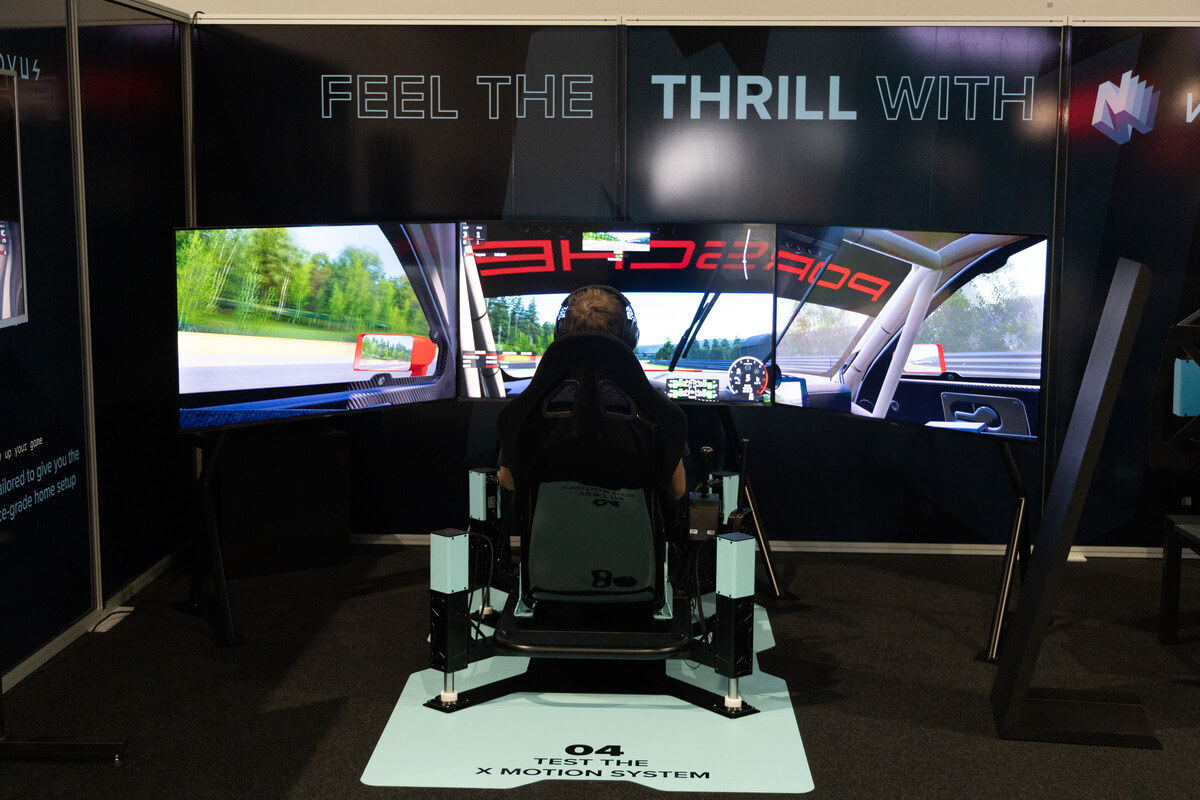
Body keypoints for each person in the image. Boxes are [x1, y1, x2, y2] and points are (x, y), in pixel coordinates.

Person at [496, 285, 687, 500]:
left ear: (561, 331)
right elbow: (676, 490)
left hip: (551, 528)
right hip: (630, 528)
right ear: (630, 335)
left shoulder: (534, 401)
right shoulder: (654, 403)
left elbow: (508, 480)